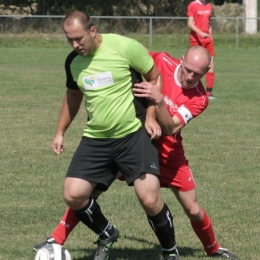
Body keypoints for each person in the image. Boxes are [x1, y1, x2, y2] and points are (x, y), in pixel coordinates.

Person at [34, 46, 238, 259]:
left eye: (197, 74)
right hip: (133, 142)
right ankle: (56, 240)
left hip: (169, 153)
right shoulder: (159, 60)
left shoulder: (199, 98)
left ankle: (213, 249)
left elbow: (170, 128)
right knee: (88, 192)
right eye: (188, 69)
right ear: (181, 60)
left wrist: (158, 100)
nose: (190, 76)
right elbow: (127, 57)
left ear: (206, 73)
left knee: (193, 209)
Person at [46, 10, 180, 260]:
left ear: (93, 31)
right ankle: (107, 232)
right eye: (69, 40)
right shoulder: (73, 62)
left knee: (150, 199)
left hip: (133, 134)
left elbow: (154, 78)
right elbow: (73, 96)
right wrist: (60, 132)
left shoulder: (125, 47)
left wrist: (151, 117)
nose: (75, 45)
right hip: (96, 138)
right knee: (73, 193)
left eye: (79, 38)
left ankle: (170, 252)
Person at [187, 0, 217, 100]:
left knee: (211, 64)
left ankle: (209, 93)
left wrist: (210, 38)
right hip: (196, 40)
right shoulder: (193, 5)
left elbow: (208, 24)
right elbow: (190, 24)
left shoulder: (209, 6)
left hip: (207, 40)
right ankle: (191, 90)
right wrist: (201, 33)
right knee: (194, 67)